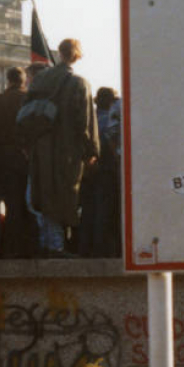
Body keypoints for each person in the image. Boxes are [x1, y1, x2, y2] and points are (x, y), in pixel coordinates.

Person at [26, 39, 98, 258]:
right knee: (64, 195)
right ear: (76, 56)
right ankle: (57, 246)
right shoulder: (79, 82)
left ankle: (47, 243)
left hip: (41, 147)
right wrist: (91, 151)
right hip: (67, 149)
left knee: (44, 194)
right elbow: (85, 121)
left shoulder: (39, 80)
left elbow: (27, 115)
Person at [0, 67, 34, 258]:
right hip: (25, 158)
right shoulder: (28, 100)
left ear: (8, 80)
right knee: (27, 204)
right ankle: (27, 248)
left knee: (8, 205)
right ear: (23, 80)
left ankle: (8, 248)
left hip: (2, 159)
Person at [78, 87, 121, 258]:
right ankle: (103, 249)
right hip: (108, 169)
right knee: (105, 211)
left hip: (88, 170)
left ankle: (85, 247)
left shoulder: (90, 119)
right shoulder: (112, 120)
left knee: (88, 211)